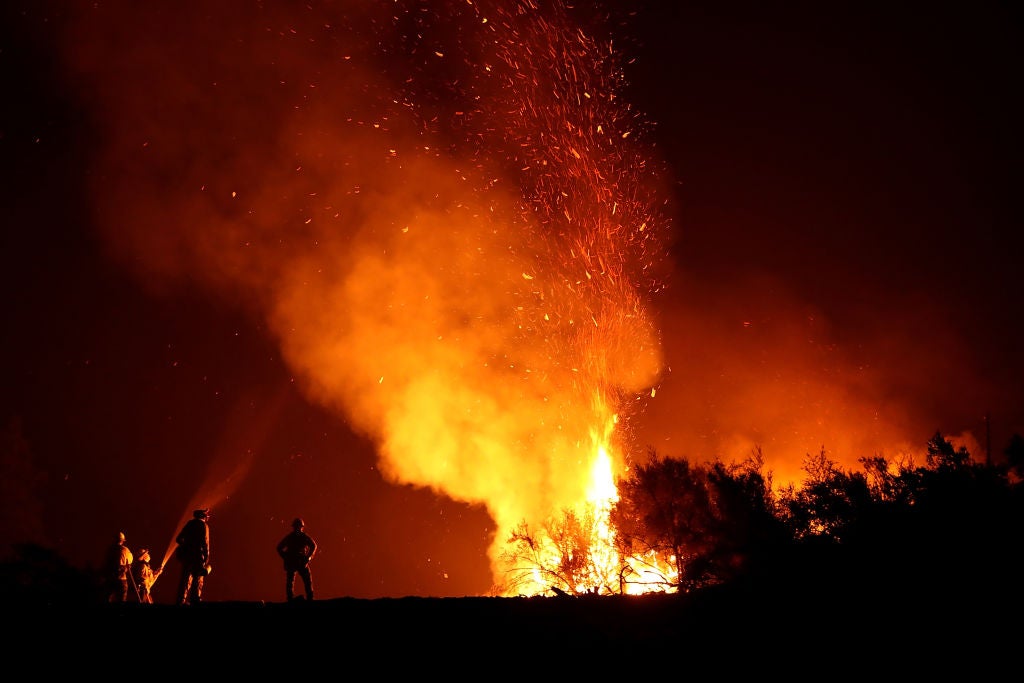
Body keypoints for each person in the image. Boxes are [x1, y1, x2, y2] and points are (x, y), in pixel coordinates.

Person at [174, 508, 211, 605]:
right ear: (204, 517)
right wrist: (206, 557)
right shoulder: (204, 525)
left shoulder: (189, 524)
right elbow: (205, 542)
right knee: (198, 579)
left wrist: (186, 547)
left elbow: (178, 539)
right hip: (198, 557)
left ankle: (181, 601)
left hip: (187, 557)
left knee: (185, 579)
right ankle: (195, 600)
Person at [276, 517, 317, 602]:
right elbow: (279, 547)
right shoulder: (292, 537)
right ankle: (293, 599)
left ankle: (309, 598)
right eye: (297, 527)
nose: (298, 528)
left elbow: (313, 546)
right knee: (293, 582)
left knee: (306, 580)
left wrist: (308, 558)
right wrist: (286, 557)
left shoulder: (298, 537)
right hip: (296, 561)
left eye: (299, 527)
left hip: (300, 561)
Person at [105, 531, 134, 603]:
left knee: (108, 598)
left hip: (110, 579)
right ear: (122, 541)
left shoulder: (109, 550)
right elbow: (130, 561)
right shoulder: (125, 550)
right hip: (121, 579)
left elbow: (105, 563)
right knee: (122, 600)